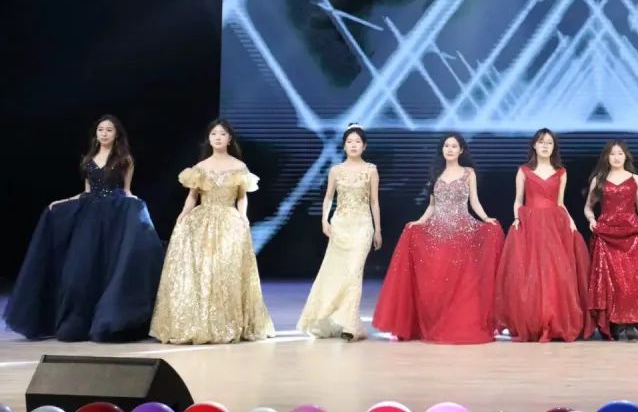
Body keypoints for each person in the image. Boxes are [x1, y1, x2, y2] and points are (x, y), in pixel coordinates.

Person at [3, 115, 164, 341]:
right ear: (96, 134)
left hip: (114, 214)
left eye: (109, 130)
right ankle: (78, 320)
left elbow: (127, 190)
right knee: (81, 268)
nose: (104, 133)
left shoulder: (124, 159)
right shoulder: (88, 160)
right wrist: (62, 202)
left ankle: (108, 320)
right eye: (101, 129)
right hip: (90, 215)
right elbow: (87, 191)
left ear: (117, 134)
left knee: (111, 264)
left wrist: (136, 205)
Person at [149, 119, 275, 344]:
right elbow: (192, 197)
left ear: (229, 139)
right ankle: (202, 322)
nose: (218, 137)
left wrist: (243, 217)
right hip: (203, 221)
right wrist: (183, 215)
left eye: (222, 134)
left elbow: (242, 197)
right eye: (214, 134)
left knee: (226, 270)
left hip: (229, 220)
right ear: (208, 139)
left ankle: (226, 322)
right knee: (204, 271)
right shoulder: (200, 167)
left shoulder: (239, 166)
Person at [372, 133, 504, 343]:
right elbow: (432, 206)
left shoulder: (469, 173)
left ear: (461, 150)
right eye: (446, 146)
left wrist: (486, 218)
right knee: (438, 282)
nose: (450, 149)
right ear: (442, 150)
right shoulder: (436, 174)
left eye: (454, 146)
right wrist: (419, 222)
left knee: (463, 282)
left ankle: (460, 324)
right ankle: (436, 322)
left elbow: (474, 201)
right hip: (438, 232)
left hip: (462, 231)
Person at [495, 128, 591, 342]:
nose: (545, 146)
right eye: (541, 142)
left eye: (549, 142)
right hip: (530, 222)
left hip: (555, 224)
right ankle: (534, 321)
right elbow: (518, 200)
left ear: (554, 147)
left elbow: (560, 203)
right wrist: (517, 218)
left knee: (557, 273)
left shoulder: (561, 172)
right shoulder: (524, 171)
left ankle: (555, 321)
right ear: (534, 145)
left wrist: (571, 222)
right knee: (530, 274)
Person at [297, 124, 382, 340]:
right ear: (344, 145)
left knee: (354, 272)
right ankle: (339, 319)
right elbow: (328, 197)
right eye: (349, 142)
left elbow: (374, 201)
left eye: (357, 142)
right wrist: (324, 220)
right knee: (337, 272)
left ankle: (351, 326)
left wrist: (378, 230)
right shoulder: (335, 170)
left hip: (363, 226)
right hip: (341, 226)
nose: (353, 145)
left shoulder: (371, 170)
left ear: (364, 146)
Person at [585, 140, 638, 341]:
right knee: (609, 281)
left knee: (631, 281)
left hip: (631, 234)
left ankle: (630, 323)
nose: (616, 157)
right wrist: (591, 220)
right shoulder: (598, 180)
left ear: (626, 156)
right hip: (606, 233)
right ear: (606, 157)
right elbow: (588, 207)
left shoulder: (635, 179)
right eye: (612, 154)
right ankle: (613, 323)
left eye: (620, 153)